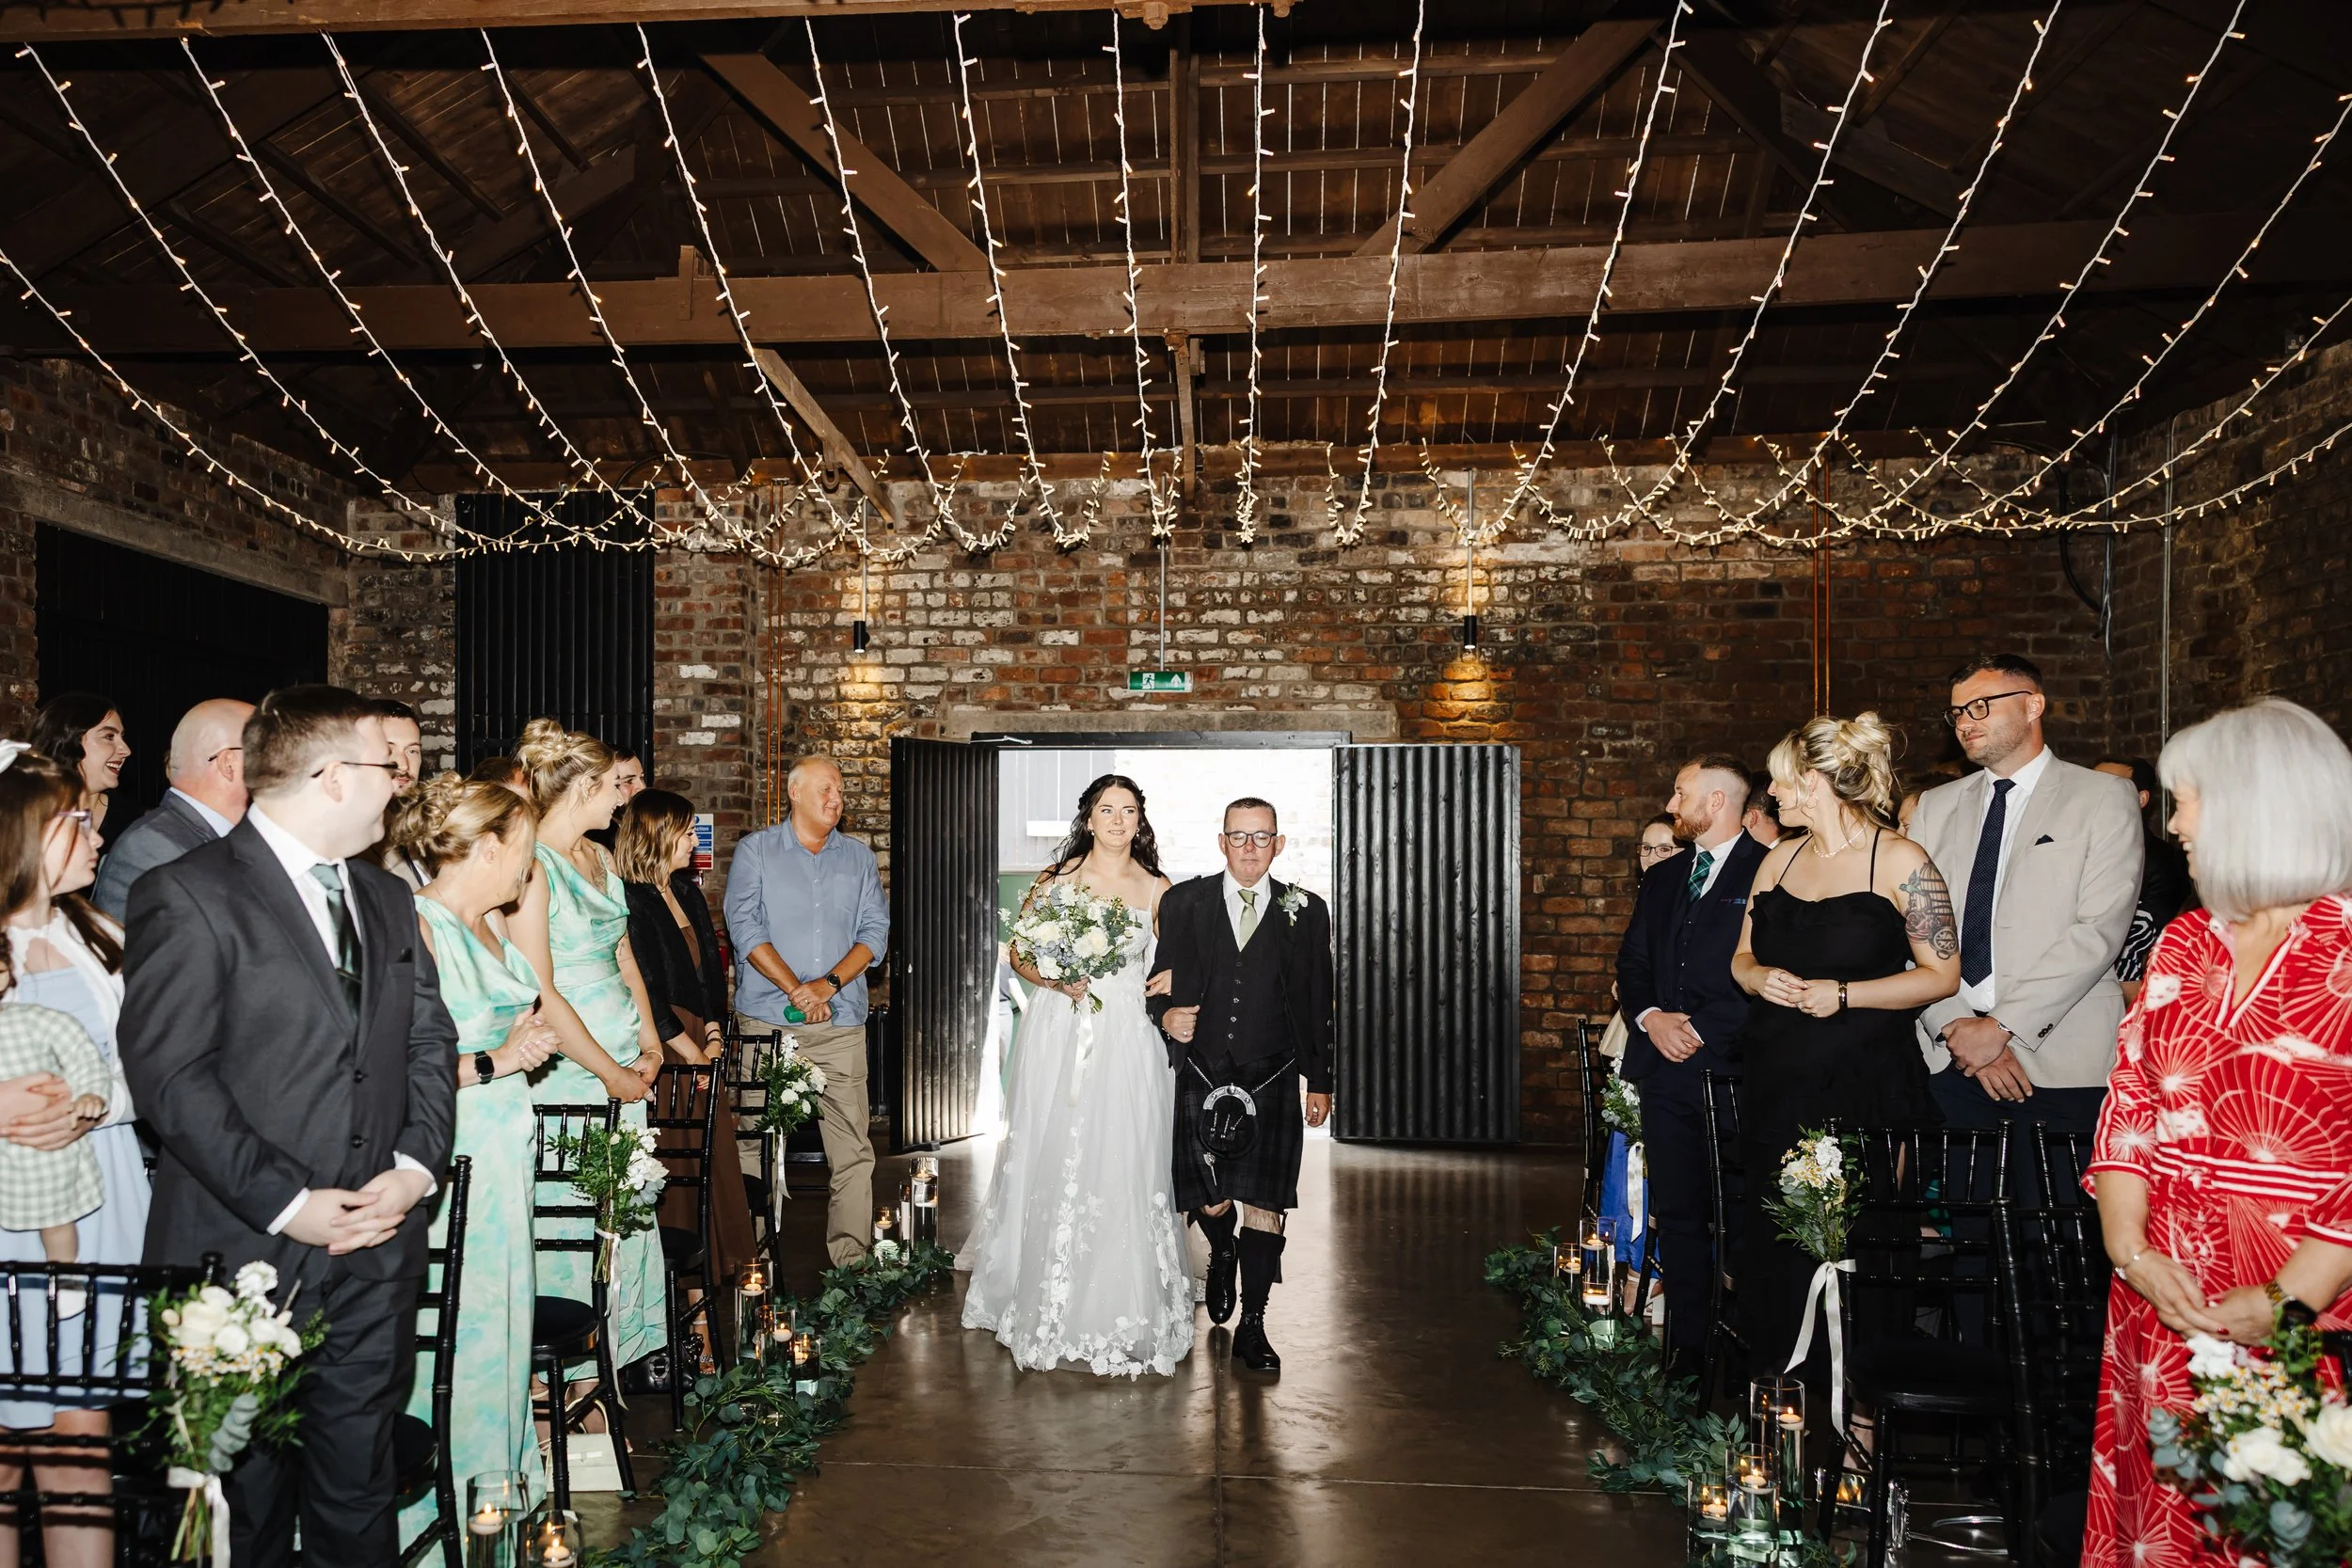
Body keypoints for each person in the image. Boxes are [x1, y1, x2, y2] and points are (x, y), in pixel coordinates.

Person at [118, 685, 456, 1568]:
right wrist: (289, 1201)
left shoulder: (385, 898)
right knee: (248, 1514)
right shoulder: (184, 893)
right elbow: (171, 1079)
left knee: (358, 1495)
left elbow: (429, 1039)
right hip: (242, 1257)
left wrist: (417, 1166)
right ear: (333, 775)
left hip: (377, 1253)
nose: (399, 785)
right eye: (387, 767)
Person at [2084, 701, 2352, 1568]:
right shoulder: (2183, 943)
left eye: (2188, 799)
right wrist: (2130, 1252)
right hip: (2162, 1304)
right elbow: (2128, 1108)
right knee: (2160, 1527)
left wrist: (2286, 1299)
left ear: (2256, 807)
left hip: (2307, 1313)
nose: (2176, 823)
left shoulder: (2345, 950)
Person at [1729, 714, 1961, 1421]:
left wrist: (1847, 994)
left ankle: (1860, 1421)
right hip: (1775, 1082)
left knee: (1858, 1251)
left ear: (1818, 781)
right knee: (1773, 1248)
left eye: (1780, 777)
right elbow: (1739, 958)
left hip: (1863, 1087)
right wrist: (1758, 975)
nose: (1770, 790)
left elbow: (1943, 975)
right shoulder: (1779, 860)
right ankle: (1780, 1410)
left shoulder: (1903, 860)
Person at [961, 774, 1191, 1377]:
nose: (1117, 820)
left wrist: (1171, 981)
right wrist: (1058, 981)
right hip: (1061, 1029)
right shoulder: (1058, 880)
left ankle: (1123, 1294)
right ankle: (1036, 1284)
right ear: (1088, 818)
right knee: (1055, 1146)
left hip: (1128, 1037)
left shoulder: (1159, 888)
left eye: (1129, 810)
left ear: (1140, 821)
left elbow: (1179, 964)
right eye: (1106, 810)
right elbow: (1020, 955)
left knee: (1124, 1152)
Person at [388, 775, 560, 1547]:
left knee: (506, 1324)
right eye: (522, 850)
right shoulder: (417, 925)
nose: (528, 869)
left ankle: (498, 1500)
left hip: (505, 1149)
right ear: (488, 845)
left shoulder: (491, 919)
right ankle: (445, 1514)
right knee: (463, 1329)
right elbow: (395, 1061)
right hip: (454, 1151)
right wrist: (498, 1058)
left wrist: (524, 1050)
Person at [0, 744, 149, 1568]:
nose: (97, 835)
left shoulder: (103, 939)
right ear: (27, 834)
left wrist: (96, 1103)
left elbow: (148, 1074)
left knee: (80, 1435)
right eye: (77, 821)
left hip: (100, 1201)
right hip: (9, 1210)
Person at [1910, 655, 2142, 1137]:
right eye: (1956, 713)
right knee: (1965, 1211)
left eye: (1980, 707)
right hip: (1951, 1056)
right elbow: (1915, 928)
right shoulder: (1937, 805)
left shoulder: (2102, 796)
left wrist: (1999, 1029)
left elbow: (2099, 931)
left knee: (2054, 1209)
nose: (1964, 723)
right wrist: (1957, 1028)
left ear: (2033, 705)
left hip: (2060, 1054)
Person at [1148, 796, 1334, 1376]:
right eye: (1239, 836)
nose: (1250, 848)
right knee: (1210, 1198)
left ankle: (1254, 1325)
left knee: (1266, 1204)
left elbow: (1315, 1000)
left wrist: (1320, 1079)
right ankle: (1220, 1245)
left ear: (1278, 844)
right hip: (1203, 1070)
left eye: (1262, 837)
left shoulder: (1307, 910)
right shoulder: (1186, 902)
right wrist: (1164, 1017)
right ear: (1221, 841)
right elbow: (1158, 983)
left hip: (1274, 1072)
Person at [504, 720, 668, 1385]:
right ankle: (562, 1392)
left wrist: (651, 1045)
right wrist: (610, 1072)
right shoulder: (532, 868)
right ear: (577, 789)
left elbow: (626, 956)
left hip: (624, 1070)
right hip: (570, 1076)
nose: (620, 799)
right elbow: (540, 992)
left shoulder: (599, 858)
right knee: (572, 1227)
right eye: (609, 786)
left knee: (622, 1220)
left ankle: (605, 1375)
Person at [1615, 755, 1769, 1379]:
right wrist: (1651, 1015)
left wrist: (1703, 1027)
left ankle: (1748, 1349)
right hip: (1666, 1067)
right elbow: (1632, 961)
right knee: (1678, 1210)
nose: (1673, 805)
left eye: (1681, 793)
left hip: (1736, 1067)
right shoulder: (1665, 876)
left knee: (1743, 1214)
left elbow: (1767, 966)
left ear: (1716, 798)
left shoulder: (1771, 869)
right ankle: (1685, 1348)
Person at [724, 755, 888, 1267]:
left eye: (839, 791)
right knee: (751, 1142)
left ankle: (852, 1261)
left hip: (839, 1025)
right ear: (793, 793)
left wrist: (827, 986)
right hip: (767, 1022)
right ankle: (750, 1260)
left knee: (854, 1150)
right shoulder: (757, 851)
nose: (835, 799)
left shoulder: (858, 859)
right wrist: (797, 989)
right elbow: (744, 926)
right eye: (825, 790)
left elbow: (875, 935)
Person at [616, 789, 757, 1282]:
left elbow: (712, 977)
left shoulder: (688, 889)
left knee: (714, 1165)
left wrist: (716, 1033)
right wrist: (694, 1053)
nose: (692, 839)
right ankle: (682, 1299)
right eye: (684, 830)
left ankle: (717, 1286)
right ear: (656, 835)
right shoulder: (629, 897)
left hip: (700, 1041)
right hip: (667, 1049)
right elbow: (647, 991)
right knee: (676, 1173)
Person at [89, 698, 252, 920]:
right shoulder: (153, 848)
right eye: (269, 752)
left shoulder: (238, 836)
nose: (282, 766)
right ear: (228, 764)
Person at [2094, 755, 2195, 1004]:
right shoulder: (2075, 851)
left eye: (2111, 787)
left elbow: (2134, 951)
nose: (2095, 796)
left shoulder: (2163, 862)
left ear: (2141, 799)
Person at [27, 696, 128, 833]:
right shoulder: (19, 815)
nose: (126, 750)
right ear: (69, 740)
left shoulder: (134, 824)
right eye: (109, 737)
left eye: (122, 737)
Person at [585, 749, 645, 853]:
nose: (642, 787)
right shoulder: (598, 836)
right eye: (628, 781)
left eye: (642, 778)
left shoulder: (643, 822)